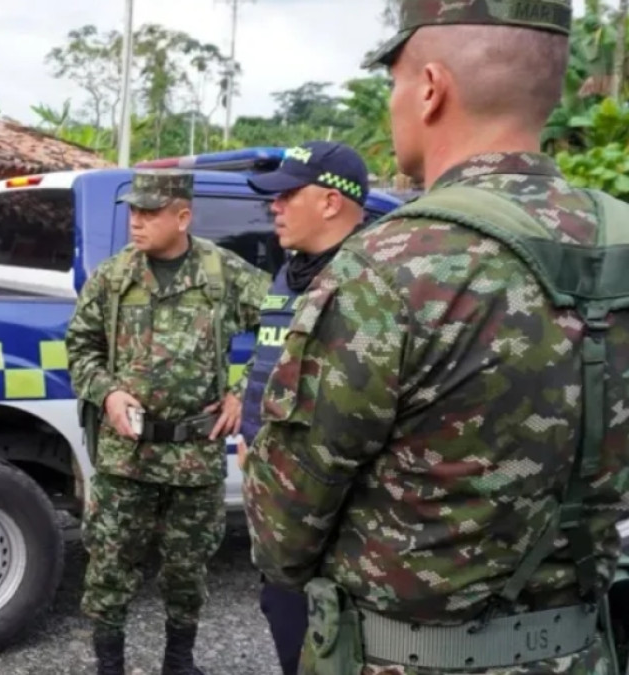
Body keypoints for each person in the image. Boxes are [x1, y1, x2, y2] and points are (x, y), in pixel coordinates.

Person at [242, 1, 629, 674]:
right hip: (584, 651)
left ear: (429, 88)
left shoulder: (388, 266)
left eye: (394, 82)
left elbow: (282, 531)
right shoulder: (618, 241)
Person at [66, 169, 269, 675]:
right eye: (133, 211)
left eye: (150, 212)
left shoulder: (224, 274)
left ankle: (179, 663)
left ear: (182, 217)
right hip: (126, 457)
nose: (136, 221)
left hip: (194, 456)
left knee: (187, 570)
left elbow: (284, 330)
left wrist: (245, 394)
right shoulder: (113, 277)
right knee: (110, 567)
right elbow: (81, 347)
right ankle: (109, 666)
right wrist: (108, 392)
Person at [236, 140, 372, 675]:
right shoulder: (289, 272)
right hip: (277, 506)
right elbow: (269, 359)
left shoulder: (371, 281)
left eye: (288, 195)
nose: (274, 206)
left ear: (331, 202)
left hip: (339, 521)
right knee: (287, 625)